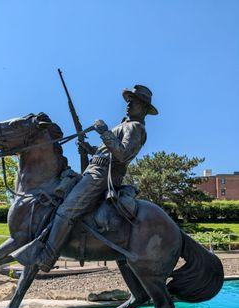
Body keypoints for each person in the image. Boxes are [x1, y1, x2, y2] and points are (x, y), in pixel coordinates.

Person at [12, 85, 158, 270]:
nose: (128, 104)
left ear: (144, 108)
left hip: (102, 175)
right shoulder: (124, 125)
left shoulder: (136, 127)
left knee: (67, 209)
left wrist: (104, 132)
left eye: (134, 102)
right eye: (128, 100)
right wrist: (89, 149)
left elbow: (123, 155)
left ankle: (47, 256)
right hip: (94, 170)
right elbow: (107, 152)